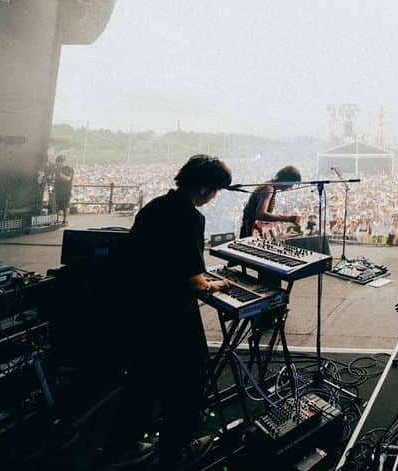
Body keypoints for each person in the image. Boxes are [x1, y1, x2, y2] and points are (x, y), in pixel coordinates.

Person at [99, 155, 233, 469]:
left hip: (137, 309)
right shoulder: (189, 216)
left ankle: (122, 448)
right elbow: (193, 281)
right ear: (203, 187)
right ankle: (178, 449)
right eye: (214, 191)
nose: (214, 198)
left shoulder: (155, 206)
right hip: (169, 315)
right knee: (185, 382)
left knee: (142, 383)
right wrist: (216, 285)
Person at [239, 165, 303, 239]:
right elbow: (261, 214)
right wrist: (288, 218)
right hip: (250, 233)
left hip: (251, 231)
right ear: (286, 179)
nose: (291, 187)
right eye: (292, 184)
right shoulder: (268, 189)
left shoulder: (270, 187)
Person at [53, 155, 74, 224]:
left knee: (65, 205)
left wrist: (61, 175)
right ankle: (55, 219)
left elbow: (69, 179)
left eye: (60, 162)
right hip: (57, 189)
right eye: (58, 162)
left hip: (66, 190)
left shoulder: (69, 169)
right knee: (56, 204)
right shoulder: (56, 169)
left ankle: (65, 220)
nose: (58, 164)